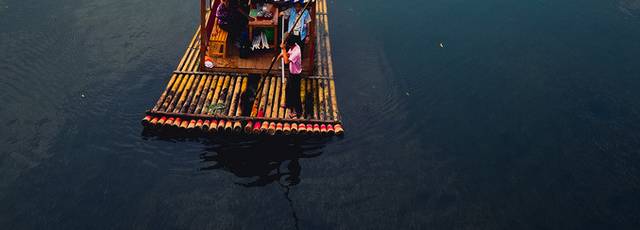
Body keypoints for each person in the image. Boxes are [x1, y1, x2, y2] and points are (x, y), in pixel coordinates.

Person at [278, 39, 303, 118]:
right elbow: (288, 54)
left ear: (290, 45)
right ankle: (288, 104)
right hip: (291, 73)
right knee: (288, 89)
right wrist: (279, 55)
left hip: (296, 75)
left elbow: (286, 61)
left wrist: (283, 49)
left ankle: (298, 112)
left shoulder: (297, 51)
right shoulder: (293, 47)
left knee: (295, 94)